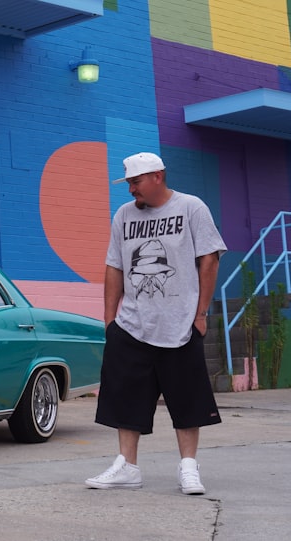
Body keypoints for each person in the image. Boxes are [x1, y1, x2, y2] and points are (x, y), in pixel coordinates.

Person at [85, 152, 226, 495]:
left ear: (157, 177)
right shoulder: (123, 216)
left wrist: (201, 313)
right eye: (129, 183)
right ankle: (127, 466)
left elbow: (209, 258)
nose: (131, 189)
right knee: (124, 398)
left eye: (135, 182)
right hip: (132, 325)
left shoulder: (191, 208)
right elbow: (114, 266)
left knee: (187, 399)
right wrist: (109, 320)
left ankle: (189, 467)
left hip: (179, 324)